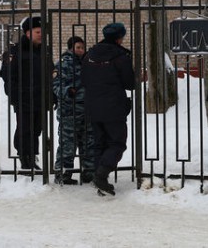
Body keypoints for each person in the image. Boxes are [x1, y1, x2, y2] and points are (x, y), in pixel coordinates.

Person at [82, 22, 135, 195]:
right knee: (117, 143)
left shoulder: (89, 55)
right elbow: (130, 83)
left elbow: (84, 79)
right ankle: (101, 175)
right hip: (114, 107)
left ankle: (101, 182)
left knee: (100, 144)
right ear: (119, 38)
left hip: (93, 107)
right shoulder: (120, 57)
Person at [7, 16, 53, 170]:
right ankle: (25, 158)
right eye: (38, 31)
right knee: (25, 129)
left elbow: (51, 74)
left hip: (40, 98)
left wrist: (52, 95)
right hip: (24, 98)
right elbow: (9, 77)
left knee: (37, 129)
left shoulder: (44, 51)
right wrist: (15, 97)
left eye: (42, 32)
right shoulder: (17, 51)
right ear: (28, 33)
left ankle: (32, 155)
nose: (41, 34)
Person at [52, 36, 95, 185]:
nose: (81, 50)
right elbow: (55, 85)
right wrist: (68, 91)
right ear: (71, 48)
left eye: (82, 47)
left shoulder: (88, 63)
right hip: (69, 111)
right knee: (68, 143)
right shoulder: (63, 64)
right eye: (78, 47)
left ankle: (89, 172)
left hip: (87, 110)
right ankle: (63, 173)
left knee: (89, 142)